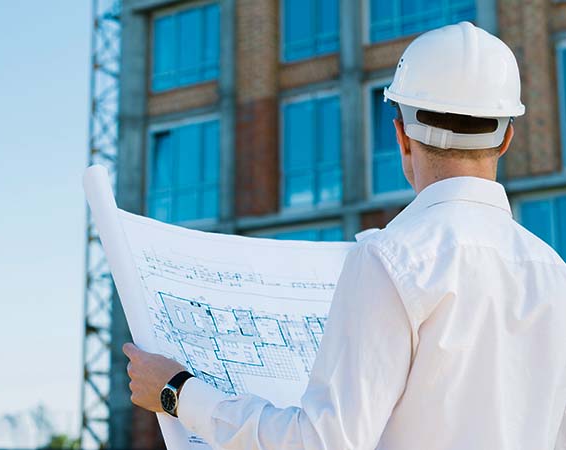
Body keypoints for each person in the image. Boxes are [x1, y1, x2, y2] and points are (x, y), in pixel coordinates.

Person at [122, 21, 566, 450]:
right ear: (507, 137)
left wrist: (177, 392)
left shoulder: (392, 258)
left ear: (402, 136)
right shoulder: (554, 273)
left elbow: (323, 443)